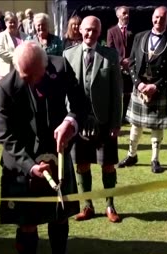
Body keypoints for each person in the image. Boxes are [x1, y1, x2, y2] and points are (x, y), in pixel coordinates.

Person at [0, 40, 87, 254]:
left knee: (60, 214)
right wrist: (29, 166)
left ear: (45, 64)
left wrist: (70, 121)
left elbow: (80, 103)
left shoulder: (61, 67)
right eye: (26, 77)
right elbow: (6, 135)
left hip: (57, 154)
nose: (32, 81)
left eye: (36, 75)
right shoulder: (5, 87)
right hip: (22, 161)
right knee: (27, 222)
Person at [63, 16, 123, 223]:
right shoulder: (68, 54)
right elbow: (65, 92)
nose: (90, 34)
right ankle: (87, 206)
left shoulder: (110, 55)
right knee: (82, 164)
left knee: (107, 164)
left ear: (100, 32)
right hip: (78, 121)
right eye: (87, 30)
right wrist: (68, 120)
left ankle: (110, 206)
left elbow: (117, 93)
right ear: (80, 29)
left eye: (94, 31)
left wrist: (116, 123)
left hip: (104, 121)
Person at [118, 6, 167, 173]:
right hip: (139, 86)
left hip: (158, 88)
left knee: (156, 125)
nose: (158, 20)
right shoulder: (140, 37)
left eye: (162, 18)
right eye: (156, 17)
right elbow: (131, 62)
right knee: (135, 124)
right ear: (152, 18)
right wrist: (138, 83)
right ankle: (132, 155)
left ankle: (155, 160)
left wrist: (156, 86)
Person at [107, 6, 134, 124]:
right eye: (124, 13)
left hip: (131, 66)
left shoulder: (133, 30)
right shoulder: (111, 31)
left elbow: (136, 47)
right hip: (117, 66)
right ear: (118, 15)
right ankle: (115, 115)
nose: (126, 15)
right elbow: (110, 48)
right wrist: (121, 60)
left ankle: (125, 116)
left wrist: (130, 60)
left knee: (128, 93)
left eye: (128, 13)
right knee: (116, 92)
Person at [0, 12, 27, 82]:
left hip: (21, 71)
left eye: (14, 22)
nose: (13, 24)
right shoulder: (1, 36)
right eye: (10, 22)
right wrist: (16, 57)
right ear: (6, 23)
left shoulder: (25, 36)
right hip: (5, 72)